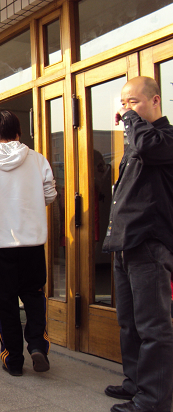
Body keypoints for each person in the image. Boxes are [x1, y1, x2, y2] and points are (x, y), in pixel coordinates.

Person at [102, 76, 173, 412]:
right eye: (123, 103)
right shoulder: (138, 141)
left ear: (155, 100)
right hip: (125, 243)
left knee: (153, 326)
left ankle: (153, 400)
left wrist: (130, 119)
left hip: (149, 243)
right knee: (129, 322)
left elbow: (148, 145)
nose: (126, 109)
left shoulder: (164, 139)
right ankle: (134, 382)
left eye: (134, 102)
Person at [0, 110, 57, 377]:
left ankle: (13, 359)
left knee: (5, 302)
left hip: (1, 244)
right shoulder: (37, 158)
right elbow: (50, 195)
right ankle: (38, 345)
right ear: (18, 132)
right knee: (34, 296)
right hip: (33, 242)